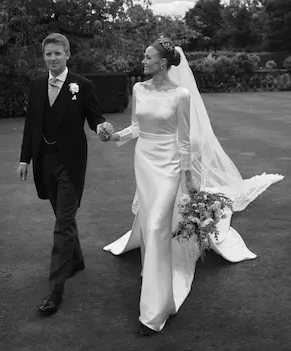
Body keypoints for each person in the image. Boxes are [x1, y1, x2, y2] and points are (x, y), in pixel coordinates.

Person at [101, 37, 284, 335]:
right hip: (144, 162)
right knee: (150, 223)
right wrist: (114, 137)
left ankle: (154, 311)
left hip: (170, 164)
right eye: (143, 57)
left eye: (147, 58)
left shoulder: (180, 94)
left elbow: (183, 139)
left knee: (160, 224)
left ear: (162, 62)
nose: (143, 62)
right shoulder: (138, 89)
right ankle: (153, 272)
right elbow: (136, 126)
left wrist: (189, 176)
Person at [17, 33, 113, 316]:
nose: (52, 58)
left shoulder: (82, 86)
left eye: (57, 53)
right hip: (44, 163)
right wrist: (24, 159)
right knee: (62, 216)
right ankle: (77, 260)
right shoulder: (36, 86)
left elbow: (95, 116)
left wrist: (102, 127)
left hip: (70, 165)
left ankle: (54, 292)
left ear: (68, 54)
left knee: (62, 225)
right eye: (48, 54)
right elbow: (31, 125)